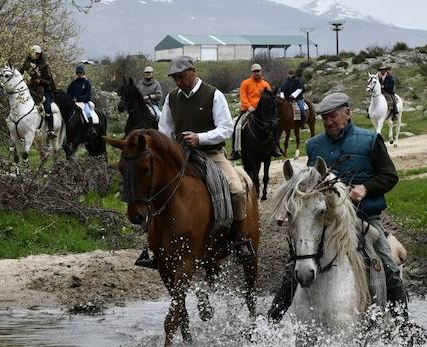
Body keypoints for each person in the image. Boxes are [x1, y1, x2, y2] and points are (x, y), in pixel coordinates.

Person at [267, 91, 409, 324]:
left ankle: (403, 326)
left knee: (387, 266)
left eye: (333, 116)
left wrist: (366, 188)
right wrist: (289, 207)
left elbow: (390, 176)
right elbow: (307, 187)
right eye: (325, 118)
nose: (329, 122)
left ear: (348, 113)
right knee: (294, 266)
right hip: (326, 220)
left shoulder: (370, 140)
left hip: (364, 219)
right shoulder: (314, 146)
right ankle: (270, 323)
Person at [138, 55, 253, 267]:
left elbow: (226, 128)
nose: (179, 82)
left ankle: (241, 239)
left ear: (193, 71)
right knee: (154, 188)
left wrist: (200, 138)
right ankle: (154, 245)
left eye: (182, 76)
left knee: (236, 190)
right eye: (175, 78)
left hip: (212, 154)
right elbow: (164, 129)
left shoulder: (213, 95)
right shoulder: (172, 98)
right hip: (180, 155)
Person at [230, 63, 281, 161]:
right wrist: (249, 106)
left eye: (258, 71)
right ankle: (235, 150)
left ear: (261, 72)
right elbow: (243, 96)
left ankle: (274, 147)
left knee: (274, 125)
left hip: (262, 113)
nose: (256, 73)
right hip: (248, 110)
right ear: (251, 72)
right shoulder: (245, 83)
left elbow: (270, 98)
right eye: (254, 71)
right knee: (237, 126)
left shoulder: (265, 84)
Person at [19, 44, 57, 139]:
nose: (36, 55)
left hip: (43, 90)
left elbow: (49, 81)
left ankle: (51, 129)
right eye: (34, 53)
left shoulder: (44, 66)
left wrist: (40, 81)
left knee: (47, 107)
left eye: (37, 53)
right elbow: (19, 75)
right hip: (29, 90)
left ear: (40, 54)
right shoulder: (26, 65)